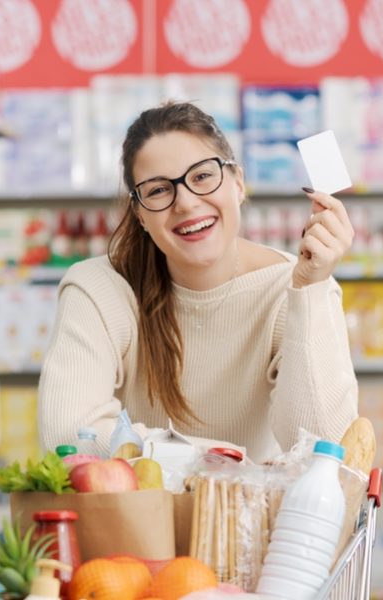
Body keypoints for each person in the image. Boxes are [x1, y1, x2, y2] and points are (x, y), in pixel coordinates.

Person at [38, 101, 358, 463]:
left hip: (252, 519)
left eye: (203, 176)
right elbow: (68, 435)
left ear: (238, 183)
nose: (187, 203)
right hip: (138, 519)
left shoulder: (296, 289)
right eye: (158, 190)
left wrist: (309, 289)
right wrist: (219, 457)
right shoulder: (98, 288)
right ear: (140, 214)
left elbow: (323, 451)